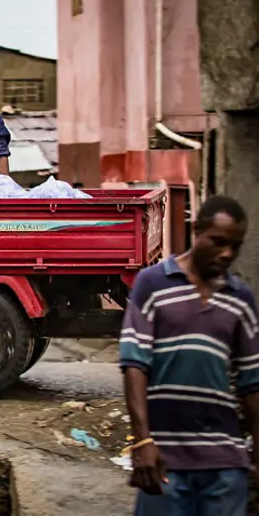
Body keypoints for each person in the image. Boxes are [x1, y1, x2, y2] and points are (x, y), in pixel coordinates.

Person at [120, 195, 259, 516]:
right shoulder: (152, 284)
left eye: (235, 246)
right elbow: (134, 364)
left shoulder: (241, 299)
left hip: (225, 465)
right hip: (165, 459)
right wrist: (142, 442)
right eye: (218, 242)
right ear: (196, 231)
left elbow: (251, 383)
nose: (227, 254)